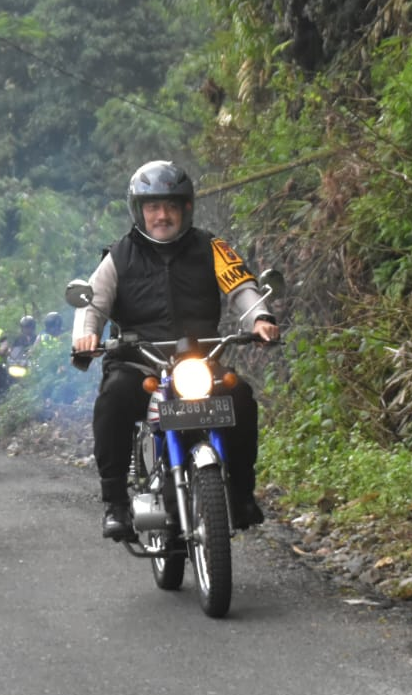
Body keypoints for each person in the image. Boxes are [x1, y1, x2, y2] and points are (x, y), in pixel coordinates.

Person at [71, 160, 280, 540]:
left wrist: (260, 318)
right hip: (140, 364)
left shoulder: (211, 247)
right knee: (113, 399)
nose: (162, 215)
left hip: (198, 359)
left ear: (186, 208)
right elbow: (92, 302)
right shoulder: (119, 255)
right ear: (139, 211)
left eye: (170, 206)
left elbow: (241, 288)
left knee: (242, 398)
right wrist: (86, 336)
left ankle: (242, 492)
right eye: (153, 207)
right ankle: (115, 502)